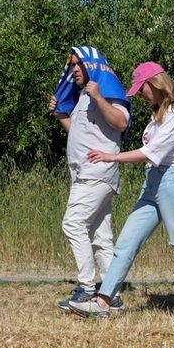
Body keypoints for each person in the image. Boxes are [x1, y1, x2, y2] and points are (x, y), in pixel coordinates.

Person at [69, 62, 174, 318]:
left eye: (142, 88)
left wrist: (110, 157)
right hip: (152, 183)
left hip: (171, 181)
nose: (140, 94)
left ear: (155, 84)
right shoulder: (157, 115)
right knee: (126, 242)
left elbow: (153, 152)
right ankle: (103, 302)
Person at [48, 46, 131, 310]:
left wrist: (98, 97)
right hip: (86, 174)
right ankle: (111, 293)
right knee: (99, 235)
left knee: (72, 224)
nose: (73, 69)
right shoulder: (84, 96)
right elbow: (79, 133)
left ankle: (86, 288)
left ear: (92, 67)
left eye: (78, 64)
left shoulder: (104, 92)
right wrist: (60, 114)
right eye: (71, 65)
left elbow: (121, 122)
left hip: (97, 173)